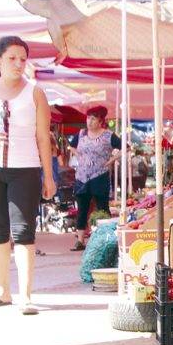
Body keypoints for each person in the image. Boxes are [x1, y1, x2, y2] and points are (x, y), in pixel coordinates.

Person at [0, 36, 56, 315]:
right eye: (12, 58)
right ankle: (2, 292)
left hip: (25, 169)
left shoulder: (35, 93)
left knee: (24, 232)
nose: (18, 64)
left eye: (22, 59)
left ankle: (25, 296)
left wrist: (48, 176)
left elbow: (43, 137)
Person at [68, 105, 121, 251]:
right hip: (82, 176)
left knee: (102, 207)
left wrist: (111, 160)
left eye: (93, 118)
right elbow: (71, 146)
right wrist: (78, 155)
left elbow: (126, 147)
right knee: (82, 209)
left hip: (100, 175)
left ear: (100, 121)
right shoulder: (81, 134)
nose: (89, 121)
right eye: (88, 118)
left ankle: (108, 238)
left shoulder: (108, 135)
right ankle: (80, 241)